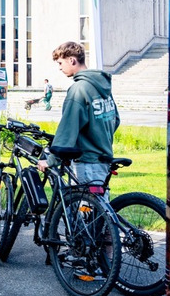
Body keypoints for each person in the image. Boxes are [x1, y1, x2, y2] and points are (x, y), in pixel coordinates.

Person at [46, 41, 119, 187]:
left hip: (87, 162)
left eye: (60, 63)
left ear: (72, 60)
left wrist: (51, 160)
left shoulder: (79, 89)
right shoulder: (101, 86)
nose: (59, 68)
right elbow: (115, 120)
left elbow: (67, 129)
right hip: (104, 158)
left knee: (84, 207)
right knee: (100, 207)